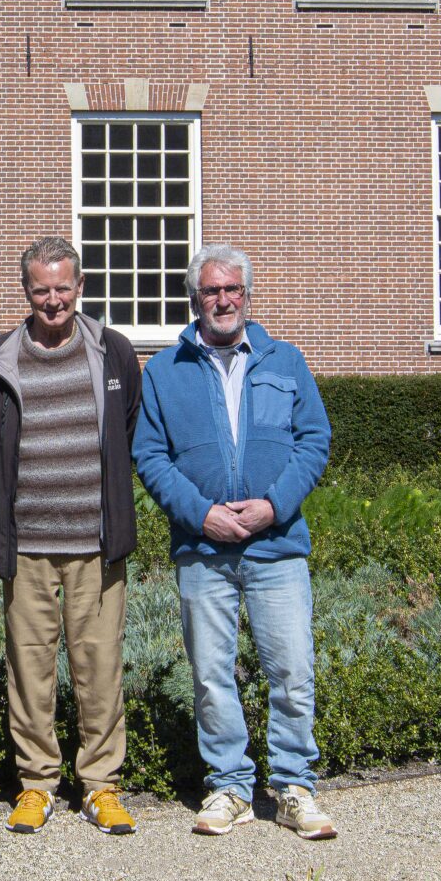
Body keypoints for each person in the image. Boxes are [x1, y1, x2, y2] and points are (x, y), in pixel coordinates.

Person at [132, 244, 337, 840]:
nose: (222, 300)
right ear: (195, 298)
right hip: (204, 552)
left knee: (292, 669)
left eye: (233, 290)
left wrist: (275, 506)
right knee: (211, 674)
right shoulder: (165, 371)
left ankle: (295, 786)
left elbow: (313, 442)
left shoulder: (286, 362)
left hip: (277, 548)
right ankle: (229, 787)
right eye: (211, 291)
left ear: (247, 296)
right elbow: (149, 455)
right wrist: (201, 516)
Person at [0, 237, 142, 837]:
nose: (53, 300)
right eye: (41, 289)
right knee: (29, 668)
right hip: (26, 545)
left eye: (62, 288)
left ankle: (101, 784)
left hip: (96, 544)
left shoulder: (114, 353)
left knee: (99, 666)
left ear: (80, 287)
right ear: (26, 291)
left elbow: (124, 431)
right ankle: (37, 783)